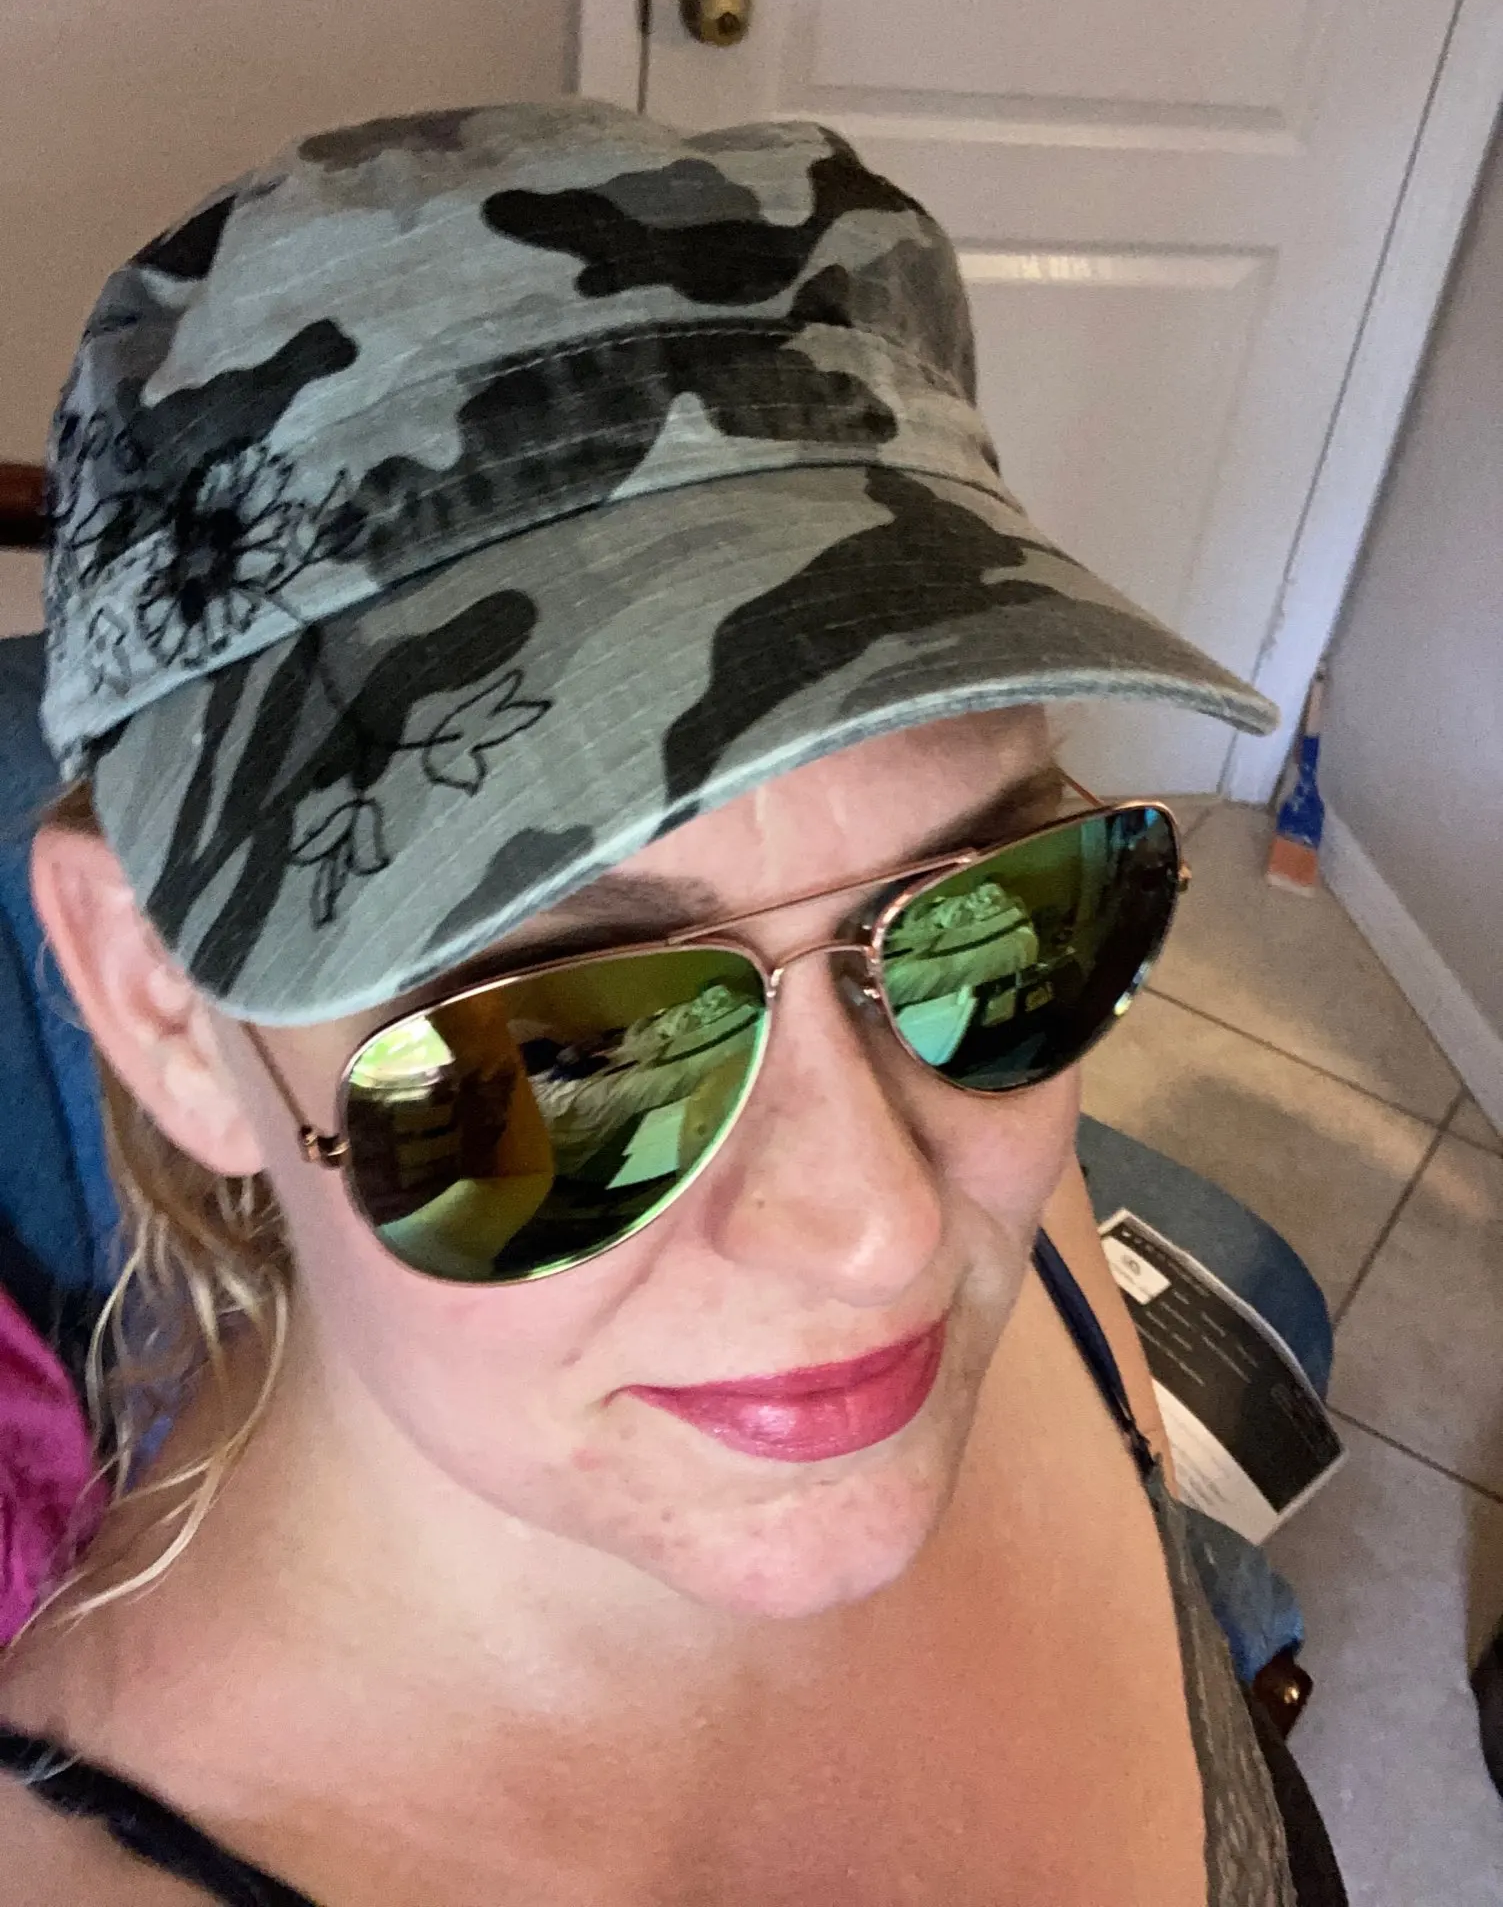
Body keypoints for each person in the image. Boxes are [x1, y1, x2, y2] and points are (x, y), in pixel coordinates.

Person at [0, 100, 1345, 1905]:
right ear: (163, 1009)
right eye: (570, 1048)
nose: (878, 1230)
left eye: (991, 923)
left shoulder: (1003, 1187)